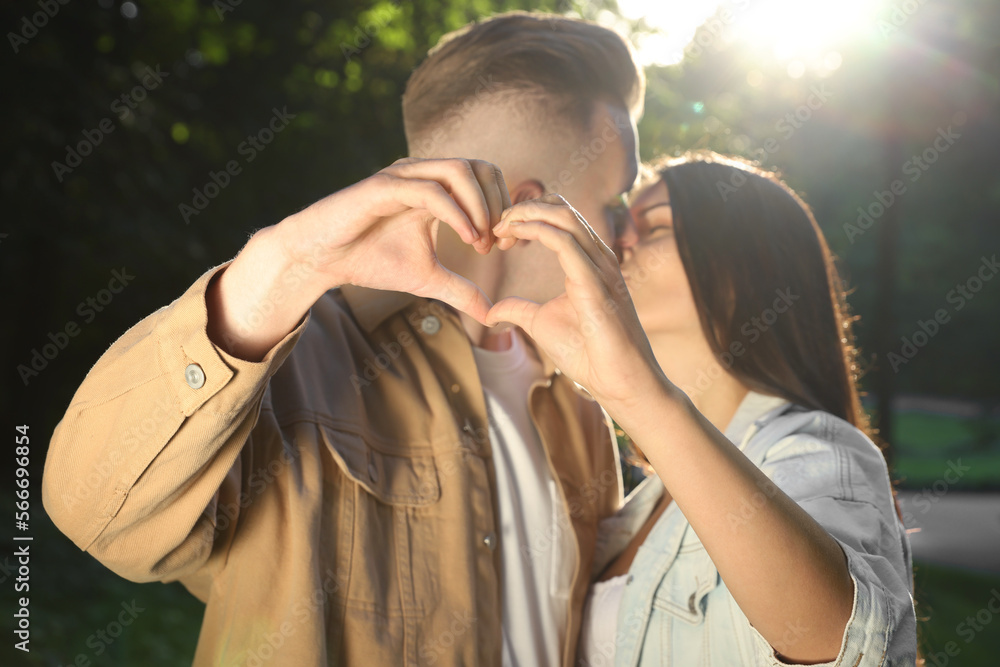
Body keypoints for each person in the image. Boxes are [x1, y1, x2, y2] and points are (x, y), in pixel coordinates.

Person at [41, 12, 645, 667]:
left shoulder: (581, 404)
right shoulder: (290, 361)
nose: (629, 234)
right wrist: (284, 265)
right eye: (616, 201)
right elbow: (94, 513)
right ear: (531, 209)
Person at [476, 152, 917, 665]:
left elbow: (844, 644)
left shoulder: (817, 448)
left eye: (655, 226)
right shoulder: (643, 501)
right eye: (622, 223)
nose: (617, 241)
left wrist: (637, 396)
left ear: (742, 269)